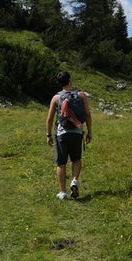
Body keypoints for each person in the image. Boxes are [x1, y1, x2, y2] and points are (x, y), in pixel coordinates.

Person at [46, 71, 92, 199]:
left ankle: (62, 192)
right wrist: (89, 132)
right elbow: (87, 115)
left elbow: (50, 118)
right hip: (77, 132)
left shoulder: (56, 98)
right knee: (76, 159)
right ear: (70, 80)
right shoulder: (81, 95)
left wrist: (48, 134)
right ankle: (74, 181)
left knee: (61, 163)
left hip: (62, 133)